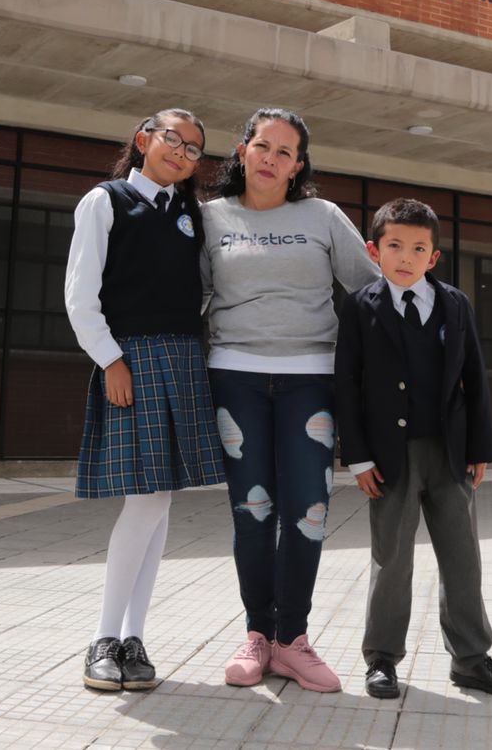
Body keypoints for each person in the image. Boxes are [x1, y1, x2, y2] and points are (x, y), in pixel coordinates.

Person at [201, 108, 377, 693]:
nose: (271, 158)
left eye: (285, 151)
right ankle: (257, 634)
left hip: (310, 379)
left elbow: (368, 289)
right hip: (236, 378)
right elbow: (188, 297)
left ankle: (292, 639)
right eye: (263, 146)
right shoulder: (209, 220)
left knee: (309, 513)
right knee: (252, 512)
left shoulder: (323, 216)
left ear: (298, 165)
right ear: (243, 151)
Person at [333, 198, 492, 700]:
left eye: (419, 248)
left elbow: (475, 380)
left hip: (450, 453)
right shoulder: (358, 307)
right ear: (375, 251)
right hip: (388, 458)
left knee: (462, 558)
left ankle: (471, 659)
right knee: (391, 558)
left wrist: (480, 447)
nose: (406, 256)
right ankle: (381, 659)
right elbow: (346, 385)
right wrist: (358, 457)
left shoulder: (455, 305)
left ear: (433, 257)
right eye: (395, 245)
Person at [65, 108, 225, 693]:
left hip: (183, 360)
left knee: (159, 501)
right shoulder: (105, 201)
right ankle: (105, 639)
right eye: (172, 140)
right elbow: (80, 295)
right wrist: (110, 359)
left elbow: (205, 285)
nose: (183, 153)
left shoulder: (190, 213)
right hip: (129, 360)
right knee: (146, 501)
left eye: (194, 149)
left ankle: (133, 639)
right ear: (143, 140)